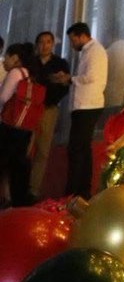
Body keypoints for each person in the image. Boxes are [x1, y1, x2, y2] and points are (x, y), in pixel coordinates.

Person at [51, 22, 108, 200]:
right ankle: (81, 191)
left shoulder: (96, 51)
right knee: (81, 149)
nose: (72, 44)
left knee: (77, 149)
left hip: (88, 105)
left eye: (72, 40)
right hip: (84, 105)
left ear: (81, 36)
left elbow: (92, 77)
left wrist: (70, 79)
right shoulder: (89, 51)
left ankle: (75, 191)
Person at [0, 41, 43, 205]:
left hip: (10, 126)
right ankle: (20, 203)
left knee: (6, 163)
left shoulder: (15, 73)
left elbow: (4, 98)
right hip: (24, 127)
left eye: (8, 57)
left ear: (16, 58)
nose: (5, 61)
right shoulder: (29, 74)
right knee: (19, 167)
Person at [29, 30, 70, 199]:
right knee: (24, 147)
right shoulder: (31, 62)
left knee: (42, 150)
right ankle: (17, 187)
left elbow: (65, 86)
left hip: (49, 108)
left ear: (53, 44)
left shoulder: (60, 63)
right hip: (30, 108)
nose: (45, 45)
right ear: (37, 45)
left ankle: (33, 190)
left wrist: (51, 92)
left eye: (48, 42)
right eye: (41, 42)